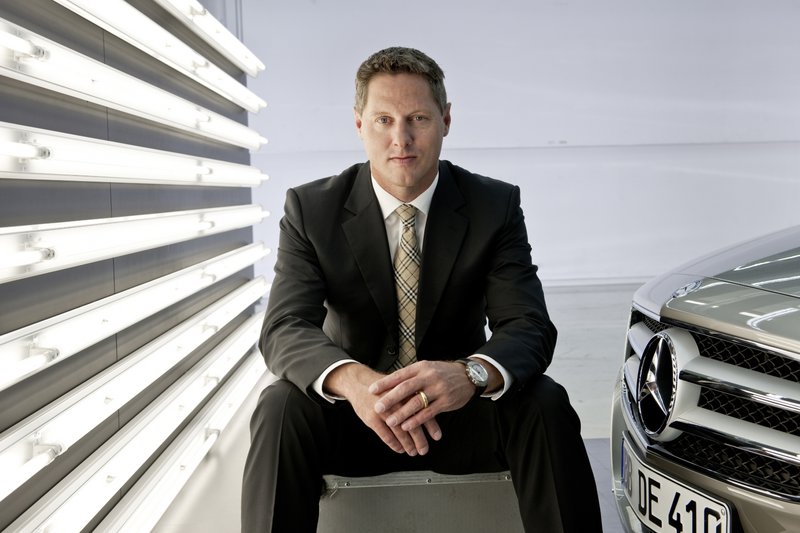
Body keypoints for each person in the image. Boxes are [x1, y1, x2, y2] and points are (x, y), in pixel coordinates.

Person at [241, 46, 603, 533]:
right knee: (279, 406)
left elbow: (528, 325)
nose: (401, 138)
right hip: (355, 417)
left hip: (457, 414)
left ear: (446, 120)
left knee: (545, 401)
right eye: (384, 120)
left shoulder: (493, 205)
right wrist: (354, 382)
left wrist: (470, 373)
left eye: (418, 119)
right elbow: (285, 326)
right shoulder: (311, 209)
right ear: (359, 124)